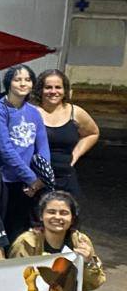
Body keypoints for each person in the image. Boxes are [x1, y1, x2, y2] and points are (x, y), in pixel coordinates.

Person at [8, 190, 111, 291]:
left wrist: (88, 262)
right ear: (41, 216)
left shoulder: (80, 241)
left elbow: (95, 282)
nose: (57, 217)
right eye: (51, 212)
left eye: (64, 213)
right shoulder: (27, 242)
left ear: (72, 219)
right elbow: (14, 283)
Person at [0, 65, 51, 242]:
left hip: (30, 183)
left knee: (21, 229)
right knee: (1, 229)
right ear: (8, 83)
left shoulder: (34, 112)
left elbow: (42, 146)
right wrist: (30, 178)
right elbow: (4, 147)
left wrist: (41, 177)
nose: (23, 83)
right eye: (17, 79)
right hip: (5, 181)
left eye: (27, 79)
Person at [36, 69, 98, 197]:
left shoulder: (76, 112)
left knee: (66, 216)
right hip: (37, 181)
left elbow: (92, 133)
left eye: (58, 87)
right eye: (48, 87)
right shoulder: (31, 112)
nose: (53, 91)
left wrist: (75, 156)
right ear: (40, 90)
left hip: (66, 178)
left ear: (65, 91)